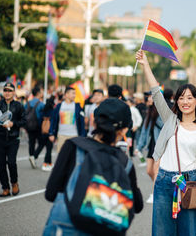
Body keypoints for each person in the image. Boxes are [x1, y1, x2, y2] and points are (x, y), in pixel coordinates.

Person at [136, 50, 196, 236]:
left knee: (187, 232)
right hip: (164, 181)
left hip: (189, 183)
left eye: (189, 98)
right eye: (181, 98)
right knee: (161, 232)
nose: (184, 102)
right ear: (176, 101)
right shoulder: (170, 120)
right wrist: (145, 64)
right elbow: (156, 93)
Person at [43, 98, 143, 235]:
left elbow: (50, 193)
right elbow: (137, 206)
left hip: (66, 226)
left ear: (94, 122)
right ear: (124, 130)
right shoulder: (125, 162)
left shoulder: (73, 146)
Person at [0, 83, 26, 197]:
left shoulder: (19, 106)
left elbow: (24, 121)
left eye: (10, 90)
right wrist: (0, 123)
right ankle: (5, 187)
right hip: (0, 138)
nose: (7, 92)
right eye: (5, 90)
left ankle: (14, 183)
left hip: (13, 139)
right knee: (0, 165)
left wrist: (13, 123)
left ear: (14, 92)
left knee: (11, 162)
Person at [136, 94, 164, 203]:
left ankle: (154, 193)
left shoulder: (161, 113)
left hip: (160, 144)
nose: (149, 99)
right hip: (151, 144)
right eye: (149, 97)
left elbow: (164, 125)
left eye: (152, 97)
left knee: (156, 170)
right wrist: (139, 146)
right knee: (149, 171)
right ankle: (159, 188)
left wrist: (155, 116)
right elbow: (144, 131)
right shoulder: (149, 112)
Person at [49, 87, 86, 152]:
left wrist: (82, 136)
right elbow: (53, 120)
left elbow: (82, 122)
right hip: (61, 135)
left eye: (75, 94)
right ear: (66, 94)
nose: (74, 95)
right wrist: (51, 133)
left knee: (72, 158)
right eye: (73, 93)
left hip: (74, 136)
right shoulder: (59, 106)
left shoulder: (77, 106)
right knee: (61, 157)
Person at [31, 96, 55, 171]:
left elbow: (39, 120)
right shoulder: (52, 112)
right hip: (49, 132)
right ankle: (45, 163)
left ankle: (34, 156)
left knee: (41, 145)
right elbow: (54, 122)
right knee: (49, 148)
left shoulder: (42, 111)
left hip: (42, 131)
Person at [26, 86, 45, 169]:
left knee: (31, 142)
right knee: (42, 142)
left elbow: (23, 113)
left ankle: (31, 156)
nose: (42, 93)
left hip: (29, 125)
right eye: (41, 91)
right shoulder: (41, 104)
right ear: (38, 93)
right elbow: (43, 115)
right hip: (37, 126)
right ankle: (34, 156)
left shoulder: (28, 103)